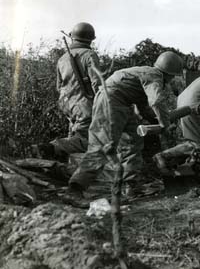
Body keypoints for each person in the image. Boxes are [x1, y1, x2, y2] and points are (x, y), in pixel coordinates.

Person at [65, 51, 184, 202]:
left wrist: (154, 120)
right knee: (102, 146)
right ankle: (75, 189)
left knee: (133, 141)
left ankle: (131, 186)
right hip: (111, 102)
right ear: (170, 74)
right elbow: (156, 101)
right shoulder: (155, 76)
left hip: (121, 103)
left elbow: (143, 107)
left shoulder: (145, 72)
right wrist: (165, 124)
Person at [32, 23, 102, 161]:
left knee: (74, 137)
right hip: (84, 105)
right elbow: (97, 84)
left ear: (73, 37)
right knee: (86, 141)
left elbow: (59, 86)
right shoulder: (89, 55)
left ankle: (62, 164)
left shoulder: (62, 59)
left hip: (66, 104)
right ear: (91, 39)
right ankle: (50, 148)